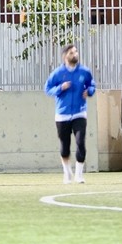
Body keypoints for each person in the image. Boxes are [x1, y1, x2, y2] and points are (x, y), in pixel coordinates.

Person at [43, 45, 95, 184]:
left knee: (80, 142)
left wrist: (89, 91)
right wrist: (60, 88)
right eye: (72, 52)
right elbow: (47, 89)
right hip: (62, 114)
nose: (75, 54)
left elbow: (92, 84)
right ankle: (67, 173)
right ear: (65, 56)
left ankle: (79, 175)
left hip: (79, 112)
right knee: (64, 146)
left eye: (76, 51)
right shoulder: (58, 73)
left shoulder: (84, 71)